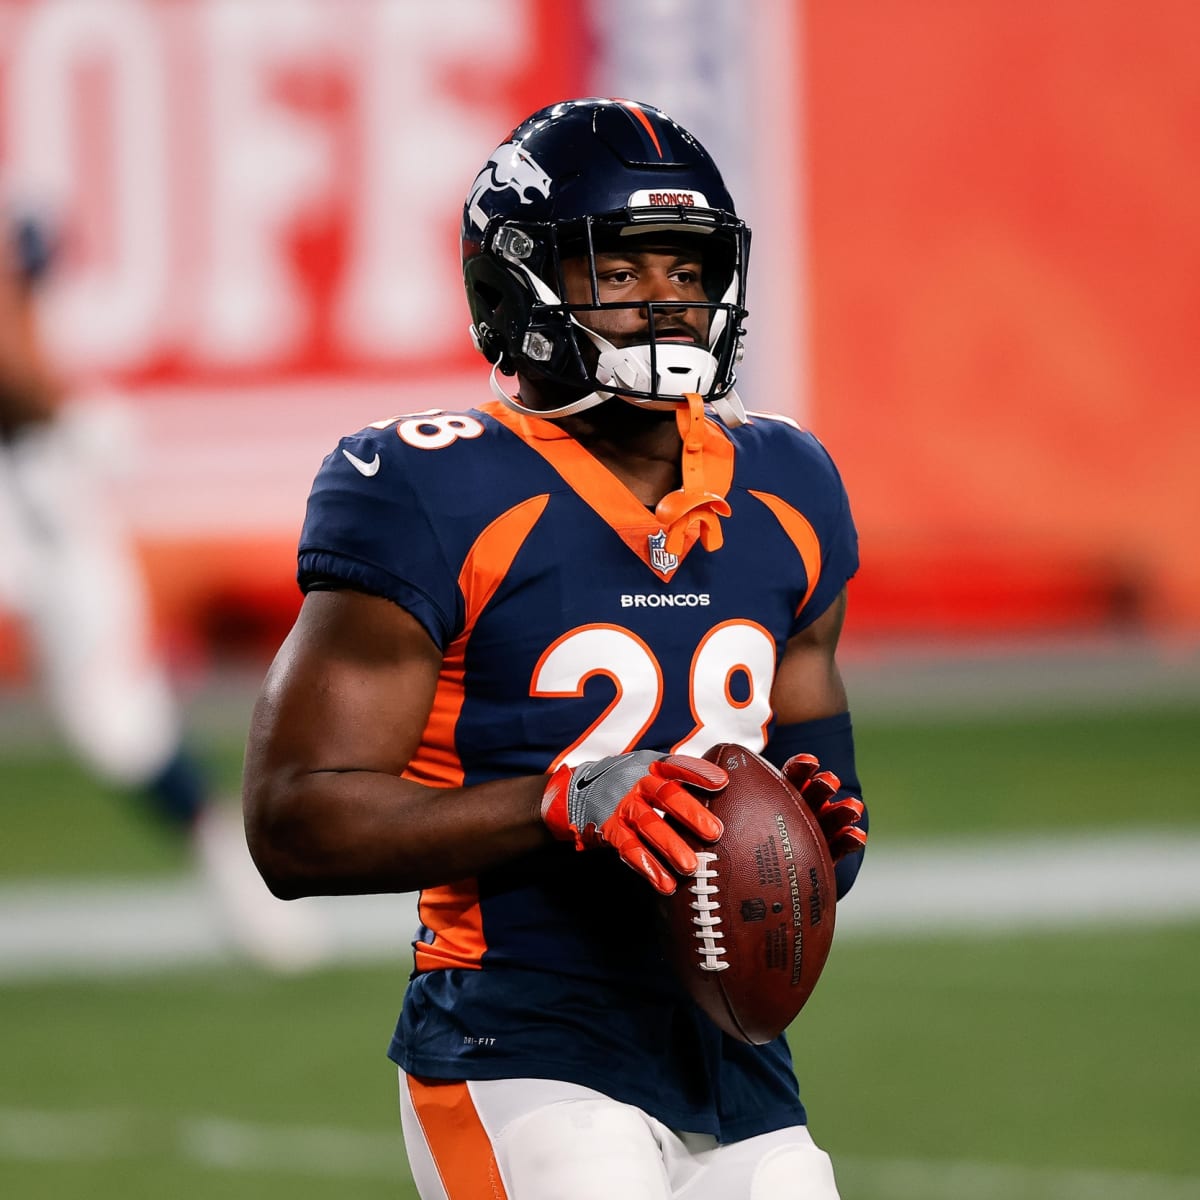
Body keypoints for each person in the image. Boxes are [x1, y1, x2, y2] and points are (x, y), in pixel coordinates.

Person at [243, 97, 869, 1198]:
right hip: (517, 1033)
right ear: (516, 286)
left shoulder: (790, 484)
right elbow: (295, 822)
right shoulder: (433, 489)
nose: (667, 305)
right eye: (622, 273)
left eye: (687, 271)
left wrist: (813, 837)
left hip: (732, 1045)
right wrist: (566, 800)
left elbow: (827, 835)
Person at [0, 205, 325, 972]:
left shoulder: (52, 404)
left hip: (45, 519)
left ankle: (227, 857)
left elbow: (24, 363)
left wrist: (60, 415)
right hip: (37, 498)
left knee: (114, 726)